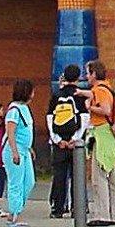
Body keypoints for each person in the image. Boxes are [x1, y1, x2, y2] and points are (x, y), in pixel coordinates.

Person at [83, 58, 115, 227]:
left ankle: (102, 214)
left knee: (99, 178)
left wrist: (89, 108)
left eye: (88, 73)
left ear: (94, 74)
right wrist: (81, 93)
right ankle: (114, 214)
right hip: (109, 135)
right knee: (111, 177)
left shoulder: (99, 90)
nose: (86, 76)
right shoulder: (107, 88)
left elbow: (105, 109)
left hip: (101, 134)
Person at [47, 70, 84, 218]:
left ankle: (58, 208)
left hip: (59, 143)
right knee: (77, 176)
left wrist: (57, 140)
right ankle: (77, 208)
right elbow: (84, 119)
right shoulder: (79, 95)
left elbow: (50, 118)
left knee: (59, 176)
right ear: (77, 78)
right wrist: (75, 139)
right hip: (75, 144)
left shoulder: (56, 95)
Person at [3, 79, 36, 227]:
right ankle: (16, 213)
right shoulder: (14, 110)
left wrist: (29, 148)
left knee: (29, 181)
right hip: (14, 150)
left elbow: (26, 131)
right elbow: (10, 132)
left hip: (24, 149)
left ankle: (15, 210)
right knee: (16, 182)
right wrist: (14, 151)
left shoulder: (25, 109)